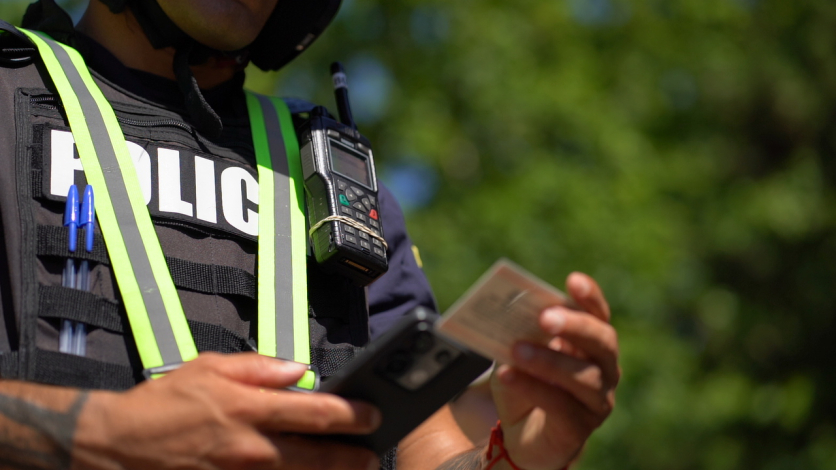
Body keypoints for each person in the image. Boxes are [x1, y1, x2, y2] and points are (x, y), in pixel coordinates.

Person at [0, 1, 621, 469]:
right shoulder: (10, 98)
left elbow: (425, 446)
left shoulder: (336, 178)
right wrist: (103, 434)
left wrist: (518, 455)